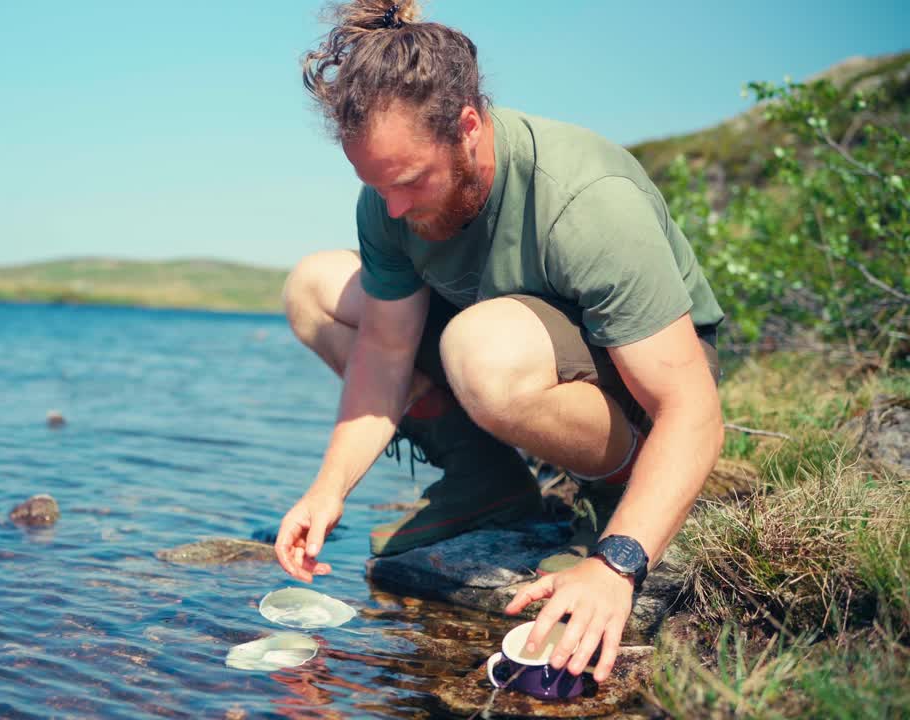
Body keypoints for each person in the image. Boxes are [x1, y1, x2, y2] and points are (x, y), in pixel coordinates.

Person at [273, 0, 725, 683]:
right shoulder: (389, 204)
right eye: (374, 186)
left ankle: (619, 496)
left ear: (468, 127)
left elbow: (692, 409)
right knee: (315, 287)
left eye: (409, 183)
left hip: (637, 379)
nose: (391, 209)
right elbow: (386, 352)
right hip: (502, 349)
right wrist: (326, 490)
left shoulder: (585, 198)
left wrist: (617, 565)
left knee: (479, 351)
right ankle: (486, 481)